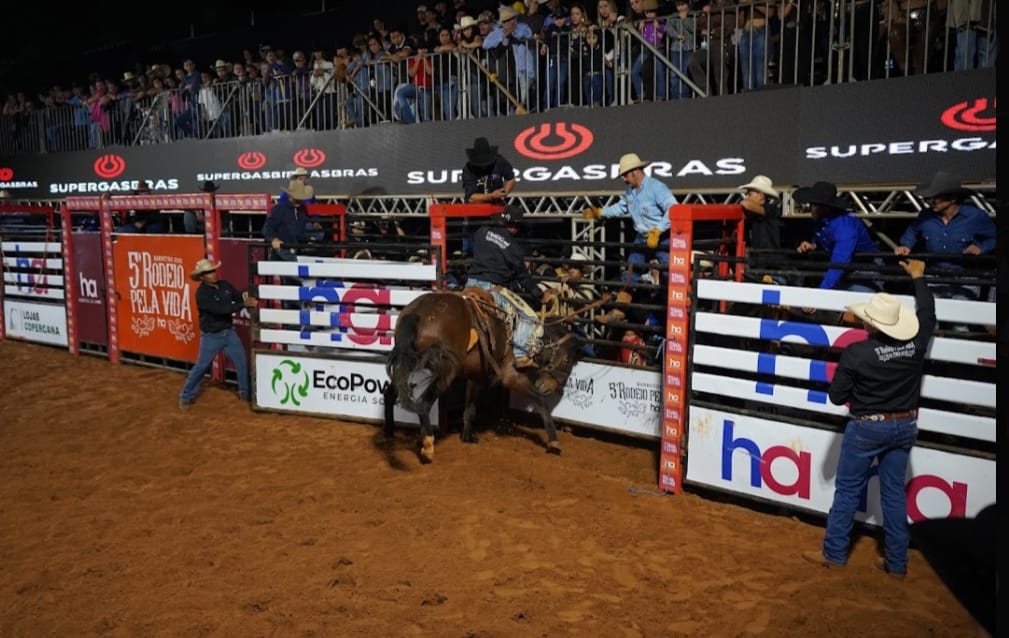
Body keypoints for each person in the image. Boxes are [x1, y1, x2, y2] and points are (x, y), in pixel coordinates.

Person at [803, 259, 936, 578]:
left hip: (867, 427)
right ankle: (896, 562)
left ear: (870, 324)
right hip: (904, 424)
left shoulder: (856, 353)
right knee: (893, 493)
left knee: (848, 490)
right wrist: (919, 278)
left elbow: (836, 396)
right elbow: (928, 315)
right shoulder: (915, 345)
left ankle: (834, 553)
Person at [466, 205, 553, 369]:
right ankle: (520, 355)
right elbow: (522, 276)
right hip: (492, 289)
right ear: (515, 225)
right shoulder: (513, 247)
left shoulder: (481, 232)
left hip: (471, 284)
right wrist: (540, 295)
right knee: (529, 319)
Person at [894, 171, 996, 302]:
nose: (931, 201)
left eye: (936, 197)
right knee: (931, 319)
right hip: (934, 276)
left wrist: (981, 248)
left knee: (960, 321)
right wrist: (905, 245)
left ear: (953, 198)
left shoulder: (976, 216)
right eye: (929, 197)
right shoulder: (925, 216)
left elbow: (995, 237)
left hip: (966, 278)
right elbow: (912, 231)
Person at [582, 152, 677, 284]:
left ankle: (675, 298)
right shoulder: (630, 192)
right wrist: (600, 212)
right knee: (630, 272)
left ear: (635, 172)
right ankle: (625, 300)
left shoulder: (656, 187)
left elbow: (673, 209)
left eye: (625, 174)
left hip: (663, 237)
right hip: (642, 237)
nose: (623, 179)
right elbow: (620, 207)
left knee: (670, 271)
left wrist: (658, 230)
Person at [179, 258, 259, 409]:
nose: (213, 274)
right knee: (201, 367)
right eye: (208, 272)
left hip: (228, 333)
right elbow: (221, 309)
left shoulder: (225, 286)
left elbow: (236, 296)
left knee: (242, 363)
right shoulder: (201, 294)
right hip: (211, 336)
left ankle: (244, 393)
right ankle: (186, 395)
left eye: (213, 270)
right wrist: (243, 304)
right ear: (202, 277)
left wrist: (246, 296)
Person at [794, 181, 881, 293]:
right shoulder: (822, 222)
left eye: (814, 204)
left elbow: (839, 261)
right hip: (844, 269)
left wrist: (821, 293)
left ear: (826, 207)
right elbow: (830, 246)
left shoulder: (845, 226)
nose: (810, 208)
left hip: (866, 269)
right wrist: (814, 245)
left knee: (854, 304)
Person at [737, 174, 783, 282]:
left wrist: (744, 203)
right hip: (756, 268)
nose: (747, 196)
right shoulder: (752, 216)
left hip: (772, 270)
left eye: (749, 193)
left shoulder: (772, 209)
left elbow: (747, 204)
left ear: (761, 195)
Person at [263, 180, 314, 261]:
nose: (299, 200)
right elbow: (267, 228)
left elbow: (298, 233)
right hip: (282, 250)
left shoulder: (302, 210)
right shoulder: (279, 209)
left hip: (296, 250)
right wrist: (274, 239)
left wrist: (308, 239)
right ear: (290, 196)